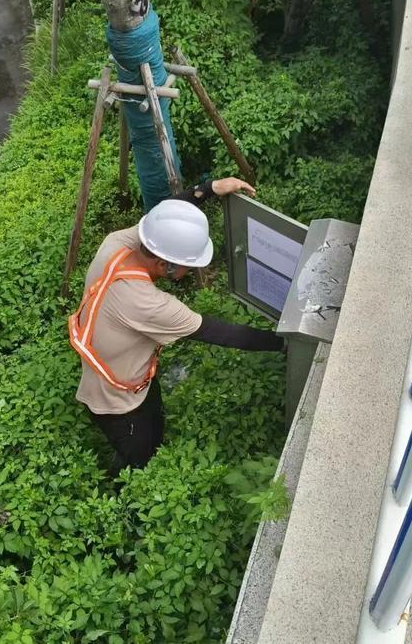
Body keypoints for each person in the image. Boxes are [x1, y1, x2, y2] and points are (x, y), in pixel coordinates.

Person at [69, 177, 285, 475]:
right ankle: (126, 496)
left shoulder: (117, 244)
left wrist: (208, 189)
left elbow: (164, 220)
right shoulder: (149, 304)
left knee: (154, 421)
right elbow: (221, 333)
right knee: (141, 457)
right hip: (119, 404)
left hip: (118, 372)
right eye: (189, 265)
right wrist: (285, 341)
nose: (193, 269)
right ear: (163, 264)